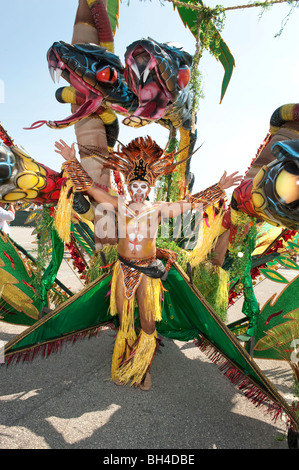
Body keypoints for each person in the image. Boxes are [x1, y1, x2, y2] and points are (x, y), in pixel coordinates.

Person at [54, 137, 242, 390]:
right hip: (122, 269)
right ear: (130, 187)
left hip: (148, 271)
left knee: (148, 321)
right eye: (135, 185)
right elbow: (90, 189)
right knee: (124, 319)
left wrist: (219, 188)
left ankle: (142, 368)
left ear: (149, 187)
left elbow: (191, 204)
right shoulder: (119, 205)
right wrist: (71, 160)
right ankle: (126, 361)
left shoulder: (157, 209)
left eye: (143, 185)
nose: (139, 190)